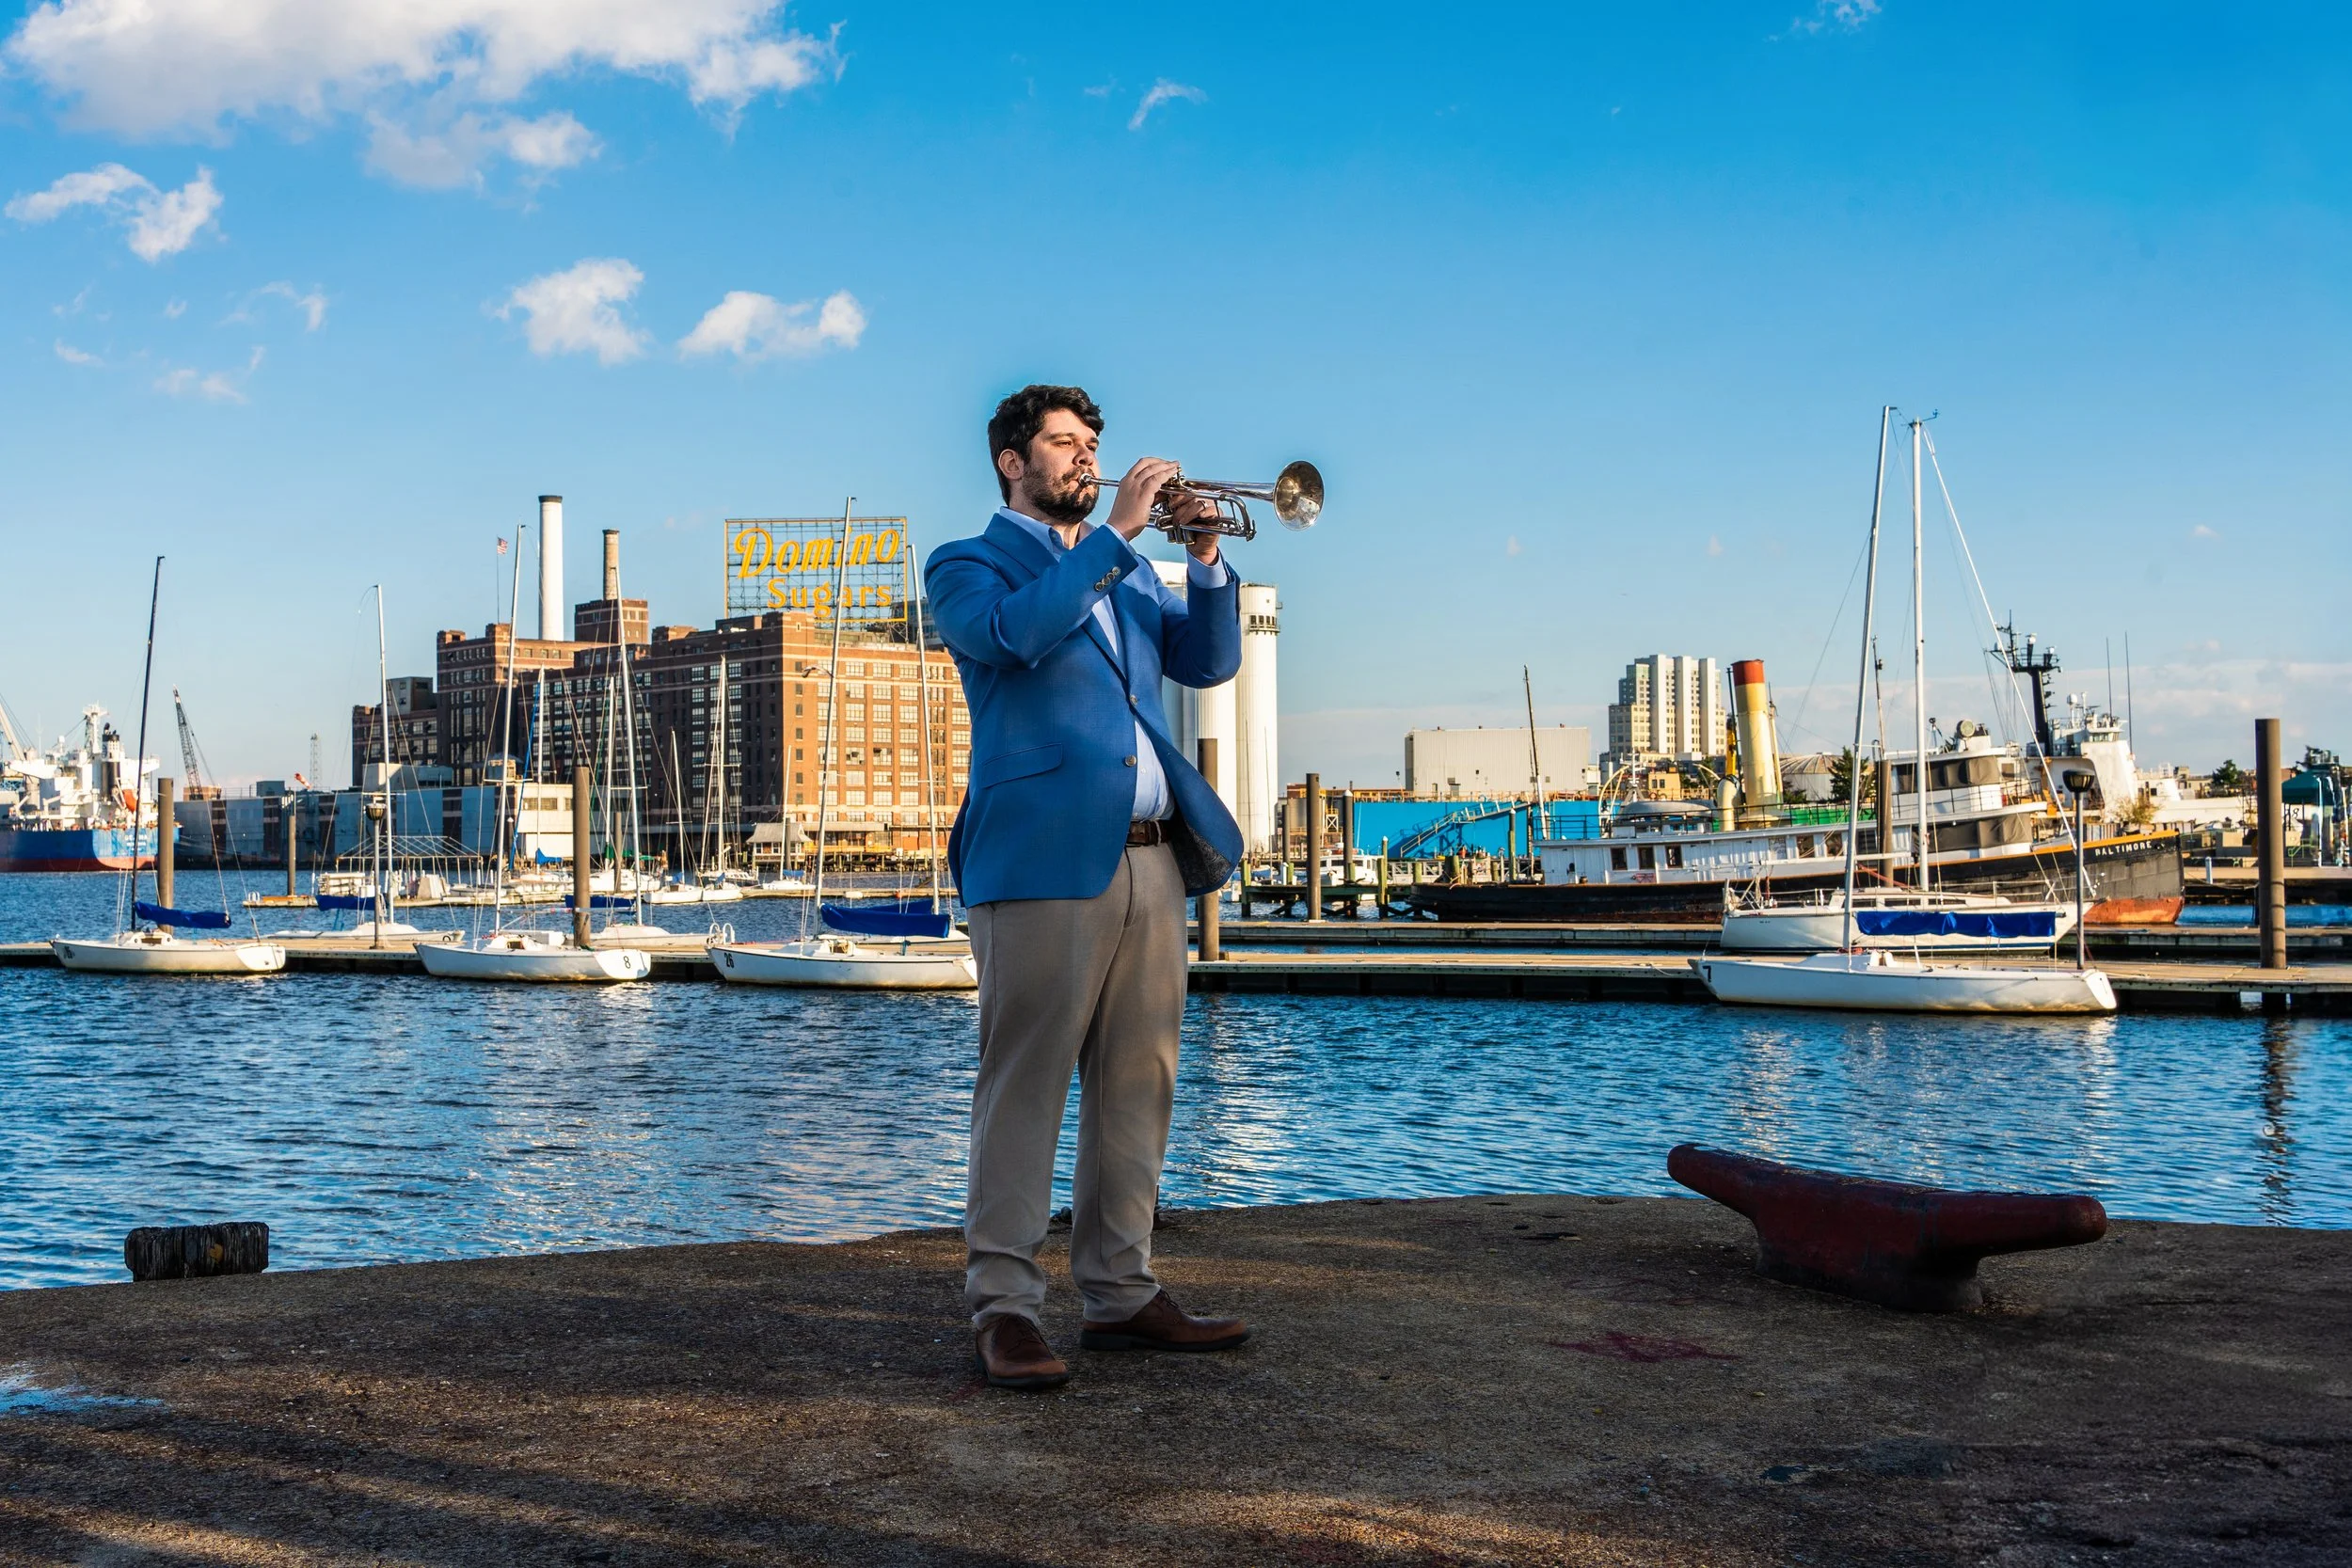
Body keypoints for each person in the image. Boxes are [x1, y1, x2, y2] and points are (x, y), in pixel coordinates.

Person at [925, 384, 1251, 1391]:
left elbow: (1211, 660)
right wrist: (1114, 537)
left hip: (1152, 854)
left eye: (1091, 443)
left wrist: (1201, 559)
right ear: (1010, 463)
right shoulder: (968, 563)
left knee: (1137, 1082)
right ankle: (1007, 1306)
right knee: (1023, 1084)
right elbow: (1012, 636)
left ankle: (1119, 1289)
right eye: (1063, 443)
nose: (1084, 457)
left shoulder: (1133, 572)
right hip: (1038, 858)